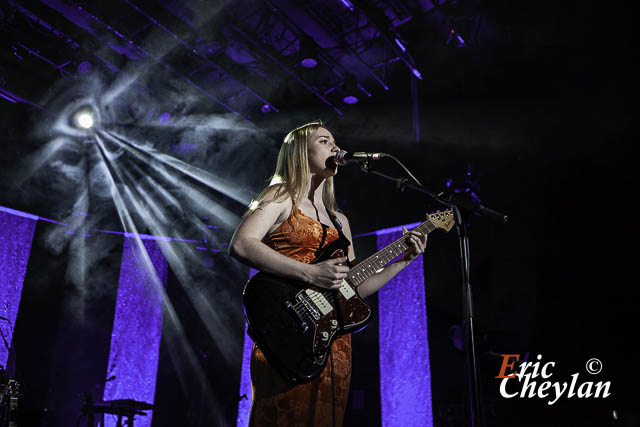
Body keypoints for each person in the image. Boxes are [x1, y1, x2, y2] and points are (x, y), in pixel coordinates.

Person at [229, 122, 428, 427]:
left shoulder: (341, 222)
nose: (335, 148)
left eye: (335, 142)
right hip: (287, 332)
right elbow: (242, 244)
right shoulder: (281, 196)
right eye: (324, 141)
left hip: (333, 343)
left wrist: (402, 261)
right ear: (300, 152)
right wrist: (310, 273)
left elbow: (352, 289)